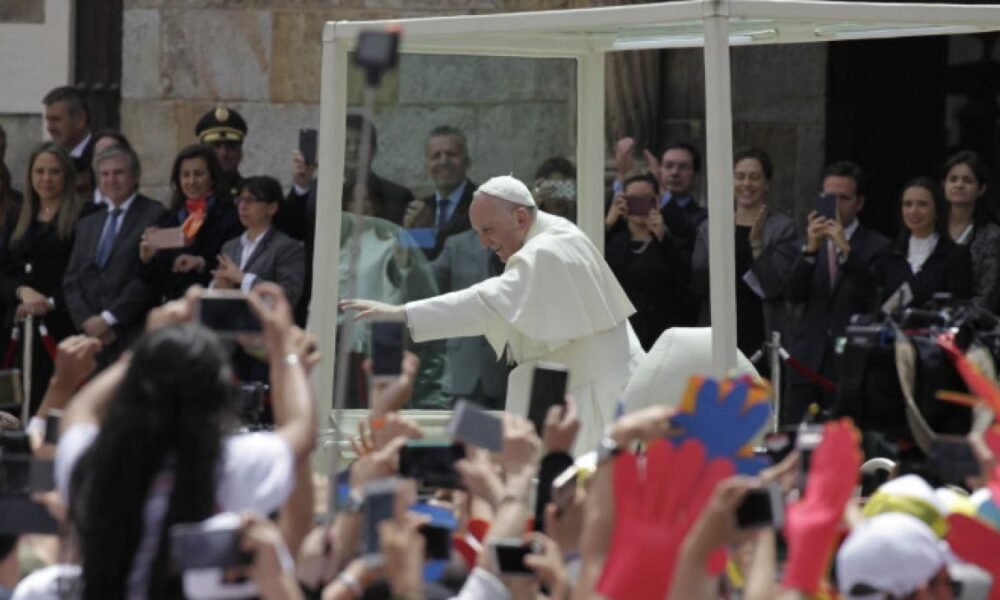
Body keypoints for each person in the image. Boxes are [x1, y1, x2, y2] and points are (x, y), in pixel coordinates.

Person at [342, 175, 643, 452]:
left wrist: (404, 313)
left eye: (488, 230)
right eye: (478, 233)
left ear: (520, 218)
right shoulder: (558, 233)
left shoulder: (545, 251)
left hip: (595, 393)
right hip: (575, 387)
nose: (484, 243)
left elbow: (486, 303)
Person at [54, 284, 315, 599]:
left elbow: (80, 410)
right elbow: (301, 429)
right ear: (219, 398)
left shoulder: (91, 465)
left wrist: (147, 346)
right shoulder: (229, 466)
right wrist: (283, 348)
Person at [278, 114, 414, 325]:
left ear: (373, 150)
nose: (352, 149)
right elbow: (290, 232)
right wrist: (301, 186)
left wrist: (418, 229)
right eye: (345, 142)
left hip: (375, 300)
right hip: (319, 298)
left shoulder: (396, 195)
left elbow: (414, 248)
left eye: (359, 143)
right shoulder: (315, 190)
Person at [784, 161, 891, 424]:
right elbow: (792, 295)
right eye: (829, 198)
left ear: (859, 203)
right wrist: (810, 251)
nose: (835, 205)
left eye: (844, 198)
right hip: (807, 360)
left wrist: (846, 251)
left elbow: (875, 296)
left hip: (850, 364)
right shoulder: (807, 242)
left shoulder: (878, 246)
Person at [691, 147, 798, 362]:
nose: (746, 184)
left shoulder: (783, 228)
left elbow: (775, 287)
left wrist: (757, 244)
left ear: (766, 183)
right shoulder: (710, 227)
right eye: (740, 177)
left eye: (754, 177)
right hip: (718, 330)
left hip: (761, 328)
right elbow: (698, 284)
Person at [0, 143, 84, 412]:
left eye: (54, 172)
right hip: (17, 326)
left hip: (61, 326)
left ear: (67, 176)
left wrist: (49, 302)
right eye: (39, 171)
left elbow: (83, 273)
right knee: (14, 406)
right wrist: (21, 292)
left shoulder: (84, 216)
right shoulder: (16, 215)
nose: (46, 178)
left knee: (53, 406)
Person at [62, 145, 166, 361]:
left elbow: (149, 277)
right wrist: (88, 321)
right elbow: (72, 280)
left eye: (119, 173)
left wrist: (109, 319)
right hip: (91, 339)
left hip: (133, 334)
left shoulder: (155, 215)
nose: (111, 180)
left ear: (135, 176)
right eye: (105, 174)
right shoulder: (87, 223)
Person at [139, 144, 242, 302]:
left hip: (211, 304)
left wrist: (201, 264)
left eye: (199, 174)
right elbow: (153, 279)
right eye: (185, 175)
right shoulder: (168, 219)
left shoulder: (230, 217)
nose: (192, 181)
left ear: (212, 177)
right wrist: (147, 259)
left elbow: (237, 264)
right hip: (174, 306)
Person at [604, 171, 690, 351]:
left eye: (645, 199)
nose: (639, 204)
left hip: (661, 339)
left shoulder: (671, 243)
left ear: (656, 202)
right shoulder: (612, 243)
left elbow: (684, 282)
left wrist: (661, 237)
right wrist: (609, 222)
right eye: (633, 199)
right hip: (620, 337)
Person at [431, 227, 510, 409]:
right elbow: (431, 280)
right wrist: (407, 260)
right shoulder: (457, 244)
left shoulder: (516, 241)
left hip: (502, 361)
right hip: (464, 359)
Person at [874, 177, 973, 309]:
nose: (913, 211)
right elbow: (876, 305)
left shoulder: (956, 255)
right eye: (907, 204)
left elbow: (960, 307)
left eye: (922, 204)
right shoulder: (887, 254)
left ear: (937, 210)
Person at [214, 176, 306, 308]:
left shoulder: (288, 248)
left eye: (250, 200)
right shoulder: (230, 246)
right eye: (239, 200)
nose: (242, 206)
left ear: (272, 208)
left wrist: (243, 279)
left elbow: (289, 296)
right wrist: (219, 286)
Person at [402, 126, 477, 260]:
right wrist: (407, 235)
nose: (444, 161)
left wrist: (426, 234)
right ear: (427, 166)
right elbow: (409, 262)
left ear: (467, 162)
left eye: (451, 154)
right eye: (436, 156)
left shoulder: (483, 205)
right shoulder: (420, 210)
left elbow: (460, 259)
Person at [941, 150, 1000, 313]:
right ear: (944, 185)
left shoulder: (993, 236)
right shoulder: (931, 227)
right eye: (953, 179)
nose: (959, 185)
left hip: (971, 321)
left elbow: (987, 296)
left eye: (967, 180)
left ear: (981, 189)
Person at [42, 87, 93, 198]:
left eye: (56, 120)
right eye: (48, 120)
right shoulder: (49, 156)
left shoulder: (99, 156)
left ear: (80, 119)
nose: (50, 128)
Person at [195, 105, 247, 203]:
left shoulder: (251, 194)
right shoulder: (190, 191)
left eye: (231, 146)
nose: (224, 153)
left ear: (240, 153)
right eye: (216, 146)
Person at [78, 129, 133, 220]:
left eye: (112, 153)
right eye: (100, 154)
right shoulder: (79, 205)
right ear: (91, 160)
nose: (107, 160)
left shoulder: (145, 210)